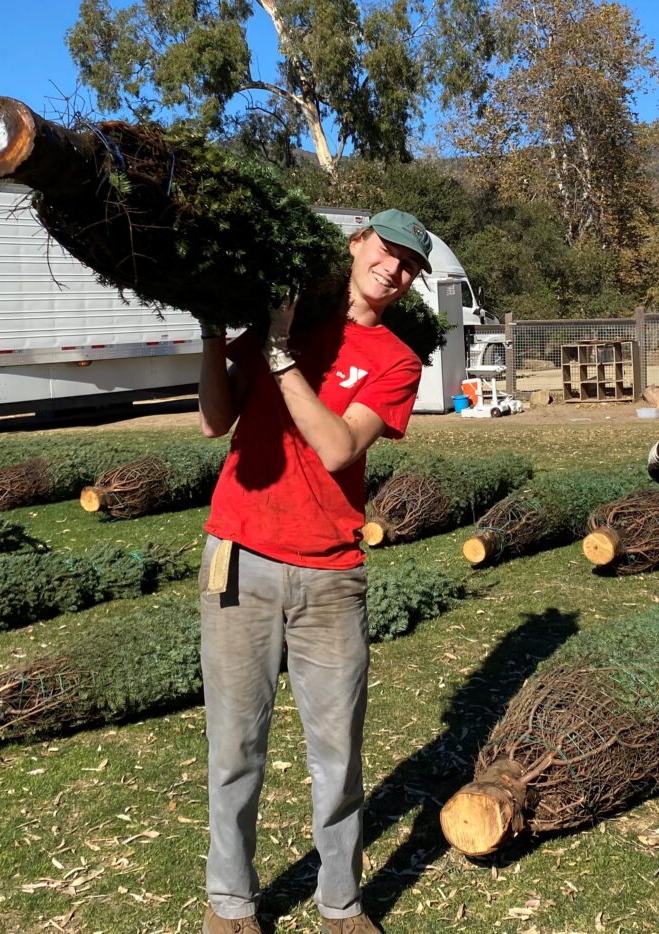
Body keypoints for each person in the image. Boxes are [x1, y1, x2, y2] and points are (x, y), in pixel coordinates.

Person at [196, 209, 431, 934]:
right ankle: (230, 904)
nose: (392, 269)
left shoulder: (396, 360)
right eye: (385, 251)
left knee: (337, 755)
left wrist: (279, 359)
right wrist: (213, 336)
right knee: (234, 746)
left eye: (408, 266)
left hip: (331, 576)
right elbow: (214, 421)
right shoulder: (288, 315)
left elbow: (335, 447)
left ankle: (341, 904)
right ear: (357, 243)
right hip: (237, 554)